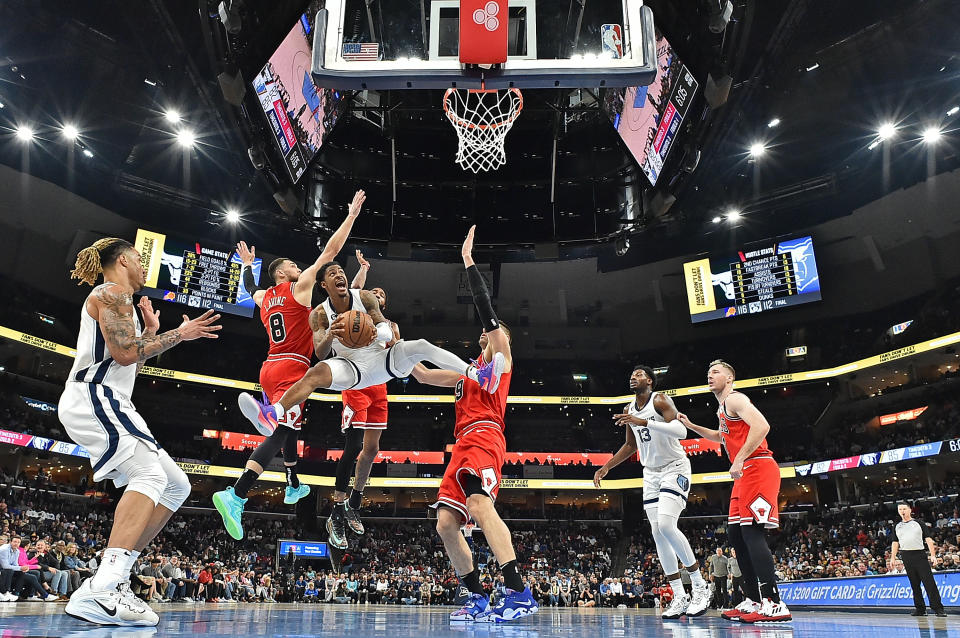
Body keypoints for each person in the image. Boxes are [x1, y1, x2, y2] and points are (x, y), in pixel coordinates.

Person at [59, 237, 220, 626]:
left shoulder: (123, 304)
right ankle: (106, 586)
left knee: (175, 484)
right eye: (138, 257)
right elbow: (125, 355)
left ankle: (104, 582)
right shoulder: (112, 292)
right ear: (123, 259)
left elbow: (130, 365)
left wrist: (151, 332)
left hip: (113, 398)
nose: (143, 264)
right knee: (148, 473)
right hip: (95, 396)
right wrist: (181, 334)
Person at [213, 190, 367, 540]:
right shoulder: (299, 287)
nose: (299, 268)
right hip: (294, 369)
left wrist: (247, 266)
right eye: (293, 266)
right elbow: (329, 253)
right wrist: (351, 217)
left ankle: (293, 481)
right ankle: (236, 493)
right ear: (283, 272)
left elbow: (250, 286)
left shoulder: (265, 297)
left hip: (269, 367)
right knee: (280, 429)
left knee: (291, 427)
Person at [412, 226, 537, 623]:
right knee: (446, 523)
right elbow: (423, 375)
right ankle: (478, 596)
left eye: (493, 331)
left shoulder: (502, 355)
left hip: (485, 434)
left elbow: (486, 308)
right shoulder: (468, 371)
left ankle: (518, 591)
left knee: (480, 505)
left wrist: (468, 261)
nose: (485, 331)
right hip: (462, 442)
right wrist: (385, 345)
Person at [593, 365, 712, 618]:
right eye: (631, 374)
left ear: (649, 380)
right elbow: (629, 445)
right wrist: (606, 467)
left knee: (668, 526)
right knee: (657, 533)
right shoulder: (627, 409)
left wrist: (645, 421)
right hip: (651, 473)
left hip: (675, 467)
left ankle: (700, 585)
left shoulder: (659, 400)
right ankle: (679, 595)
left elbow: (681, 431)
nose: (632, 377)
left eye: (638, 375)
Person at [679, 360, 791, 623]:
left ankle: (774, 602)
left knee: (751, 532)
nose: (710, 375)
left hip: (758, 466)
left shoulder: (736, 399)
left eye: (716, 372)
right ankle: (753, 599)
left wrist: (739, 458)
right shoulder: (722, 408)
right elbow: (721, 436)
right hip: (745, 472)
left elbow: (762, 426)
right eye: (708, 372)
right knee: (736, 535)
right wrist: (692, 426)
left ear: (729, 379)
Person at [329, 254, 400, 547]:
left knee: (372, 450)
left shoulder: (390, 325)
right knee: (354, 446)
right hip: (356, 383)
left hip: (379, 388)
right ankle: (336, 511)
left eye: (382, 294)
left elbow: (398, 352)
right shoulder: (353, 312)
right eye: (374, 291)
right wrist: (363, 270)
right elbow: (355, 290)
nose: (377, 293)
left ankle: (354, 505)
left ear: (383, 303)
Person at [891, 502, 947, 617]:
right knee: (914, 584)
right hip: (906, 555)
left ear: (909, 510)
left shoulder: (919, 523)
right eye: (900, 509)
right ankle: (920, 608)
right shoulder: (896, 526)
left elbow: (928, 539)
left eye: (904, 509)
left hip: (919, 554)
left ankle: (938, 608)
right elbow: (895, 543)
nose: (902, 511)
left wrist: (932, 555)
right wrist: (893, 557)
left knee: (929, 582)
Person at [0, 534, 56, 602]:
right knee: (13, 571)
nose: (16, 544)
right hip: (3, 570)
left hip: (10, 570)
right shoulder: (4, 550)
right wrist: (21, 568)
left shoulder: (17, 551)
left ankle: (43, 595)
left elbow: (16, 564)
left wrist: (23, 568)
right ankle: (7, 592)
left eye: (18, 542)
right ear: (10, 542)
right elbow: (5, 566)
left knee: (31, 575)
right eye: (14, 542)